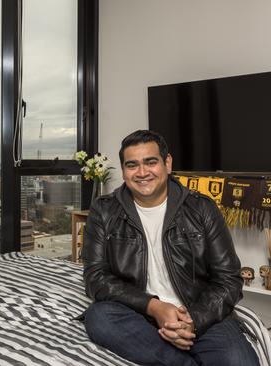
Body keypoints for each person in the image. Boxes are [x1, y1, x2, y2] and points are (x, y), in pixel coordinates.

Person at [82, 130, 259, 366]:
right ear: (124, 170)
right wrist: (154, 307)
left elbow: (229, 280)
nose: (142, 172)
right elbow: (95, 278)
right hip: (138, 311)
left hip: (198, 312)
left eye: (150, 162)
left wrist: (192, 320)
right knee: (99, 318)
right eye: (132, 165)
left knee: (240, 362)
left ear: (167, 163)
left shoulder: (201, 208)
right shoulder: (103, 210)